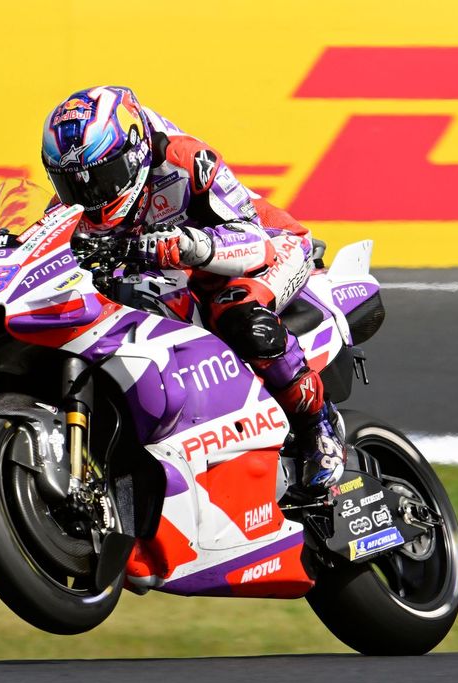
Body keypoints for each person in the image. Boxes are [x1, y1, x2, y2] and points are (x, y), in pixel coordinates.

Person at [40, 86, 344, 490]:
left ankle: (317, 426)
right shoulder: (73, 209)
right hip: (169, 274)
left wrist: (185, 244)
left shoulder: (187, 160)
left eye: (102, 178)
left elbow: (255, 240)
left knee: (240, 315)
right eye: (74, 186)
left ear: (132, 153)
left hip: (265, 248)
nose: (90, 196)